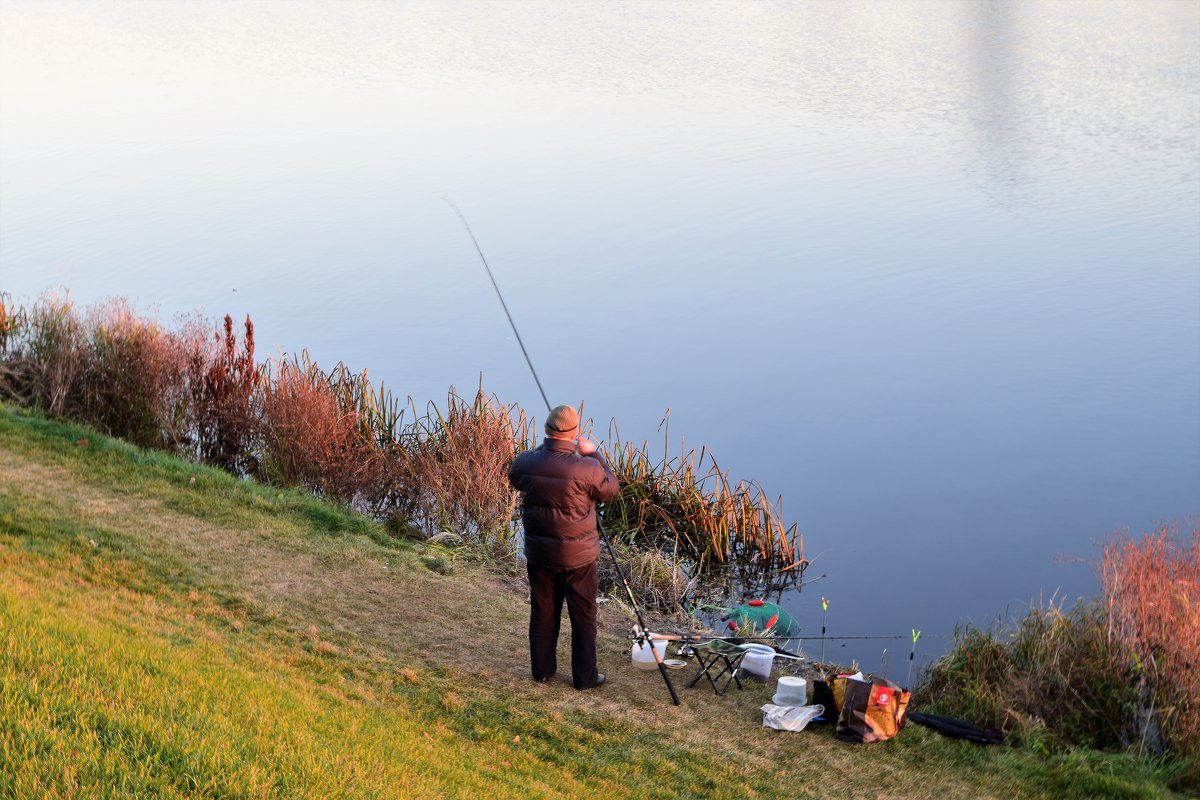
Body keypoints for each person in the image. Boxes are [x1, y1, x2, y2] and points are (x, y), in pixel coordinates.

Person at [507, 403, 619, 690]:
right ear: (575, 433)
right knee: (583, 616)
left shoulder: (526, 462)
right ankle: (584, 678)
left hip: (540, 554)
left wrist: (547, 452)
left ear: (546, 430)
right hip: (578, 557)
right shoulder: (588, 466)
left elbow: (516, 478)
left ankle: (542, 671)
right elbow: (609, 488)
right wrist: (593, 452)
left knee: (543, 611)